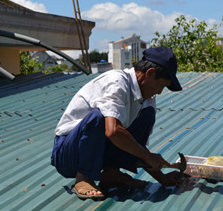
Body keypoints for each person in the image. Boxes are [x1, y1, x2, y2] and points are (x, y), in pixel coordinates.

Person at [51, 46, 183, 200]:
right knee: (101, 117)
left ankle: (111, 173)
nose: (159, 92)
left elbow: (137, 148)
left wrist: (163, 178)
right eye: (161, 85)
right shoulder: (117, 81)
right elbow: (112, 131)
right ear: (150, 73)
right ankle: (83, 178)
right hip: (68, 154)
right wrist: (148, 156)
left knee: (147, 115)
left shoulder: (147, 100)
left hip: (98, 153)